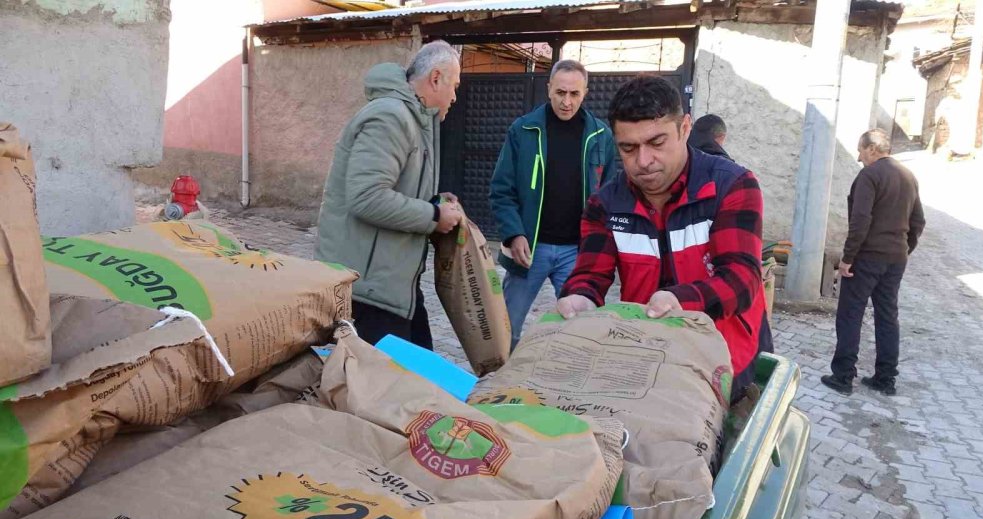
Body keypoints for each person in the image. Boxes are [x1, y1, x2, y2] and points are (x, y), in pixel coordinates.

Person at [556, 75, 771, 399]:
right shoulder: (605, 204)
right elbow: (590, 274)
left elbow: (742, 281)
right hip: (649, 360)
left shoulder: (731, 186)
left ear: (685, 129)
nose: (643, 162)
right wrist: (579, 297)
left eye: (657, 143)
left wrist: (679, 301)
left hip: (728, 361)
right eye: (628, 148)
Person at [315, 41, 463, 350]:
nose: (454, 97)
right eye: (454, 86)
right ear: (436, 78)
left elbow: (397, 188)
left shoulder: (415, 120)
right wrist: (434, 217)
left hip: (393, 285)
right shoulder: (392, 117)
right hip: (366, 290)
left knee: (417, 378)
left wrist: (434, 202)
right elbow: (367, 197)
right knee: (383, 390)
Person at [489, 59, 618, 349]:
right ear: (548, 89)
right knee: (506, 329)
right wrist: (514, 233)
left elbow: (609, 197)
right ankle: (497, 384)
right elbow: (501, 190)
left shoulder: (601, 137)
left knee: (581, 331)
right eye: (561, 92)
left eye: (574, 94)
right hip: (530, 250)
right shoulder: (523, 130)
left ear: (585, 92)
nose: (567, 101)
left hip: (577, 252)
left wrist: (600, 246)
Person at [821, 129, 925, 396]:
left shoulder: (870, 175)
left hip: (867, 258)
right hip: (895, 258)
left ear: (872, 149)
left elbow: (860, 221)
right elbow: (918, 222)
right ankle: (886, 377)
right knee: (887, 316)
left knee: (850, 314)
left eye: (860, 150)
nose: (858, 156)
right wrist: (904, 249)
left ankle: (843, 376)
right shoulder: (908, 176)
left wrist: (847, 258)